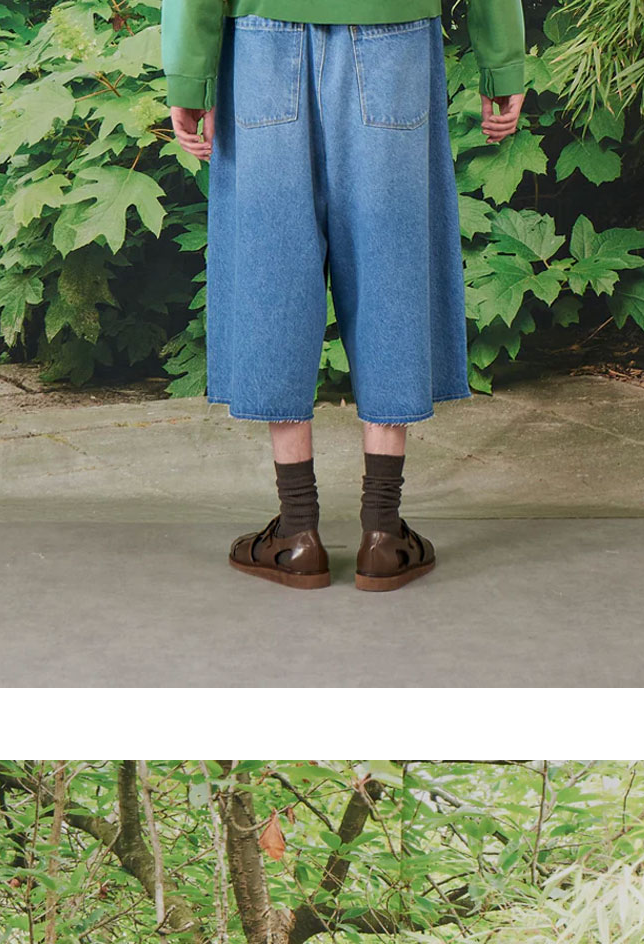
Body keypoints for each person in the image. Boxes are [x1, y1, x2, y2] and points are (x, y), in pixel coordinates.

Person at [164, 0, 526, 593]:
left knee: (274, 265)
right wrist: (501, 62)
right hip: (394, 31)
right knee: (392, 262)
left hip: (264, 38)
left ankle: (296, 532)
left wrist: (189, 75)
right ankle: (382, 532)